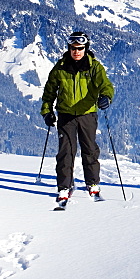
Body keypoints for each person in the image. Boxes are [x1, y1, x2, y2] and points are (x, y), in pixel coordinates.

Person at [40, 31, 115, 203]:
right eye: (73, 48)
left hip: (87, 114)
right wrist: (47, 111)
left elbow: (106, 85)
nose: (77, 52)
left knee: (89, 149)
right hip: (66, 115)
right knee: (66, 152)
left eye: (80, 48)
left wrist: (106, 97)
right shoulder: (60, 68)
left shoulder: (94, 67)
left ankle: (92, 183)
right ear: (69, 48)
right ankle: (64, 186)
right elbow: (49, 92)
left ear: (86, 48)